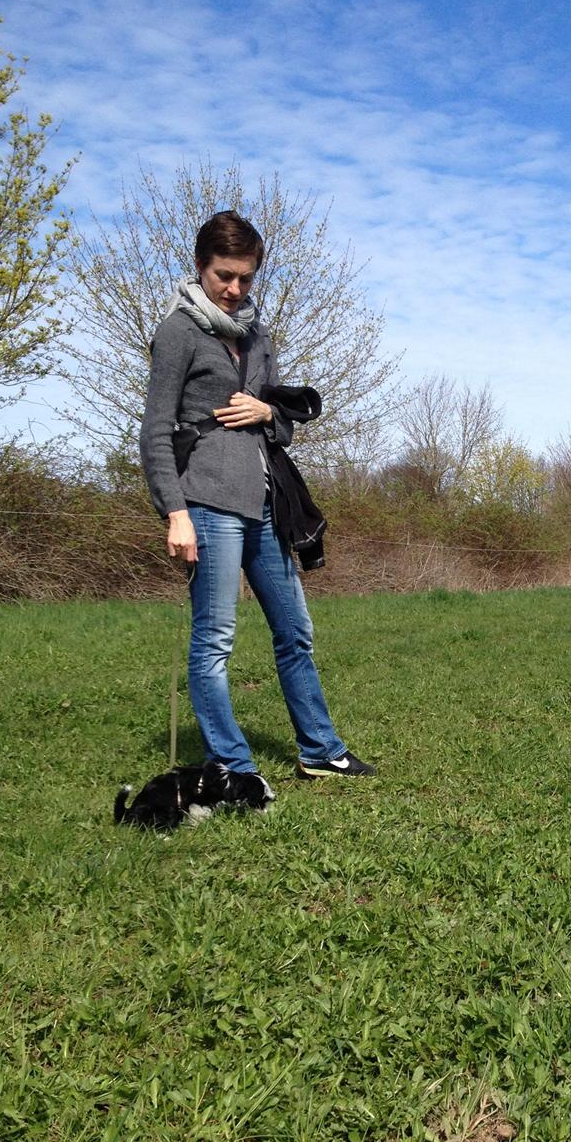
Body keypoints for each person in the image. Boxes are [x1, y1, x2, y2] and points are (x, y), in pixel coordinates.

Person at [140, 209, 373, 783]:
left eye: (245, 278)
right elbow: (154, 432)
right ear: (199, 267)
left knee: (296, 631)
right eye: (224, 275)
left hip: (267, 506)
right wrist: (175, 513)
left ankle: (320, 751)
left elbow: (283, 426)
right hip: (207, 505)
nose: (234, 289)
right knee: (215, 641)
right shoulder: (178, 333)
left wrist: (268, 410)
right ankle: (233, 766)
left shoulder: (259, 334)